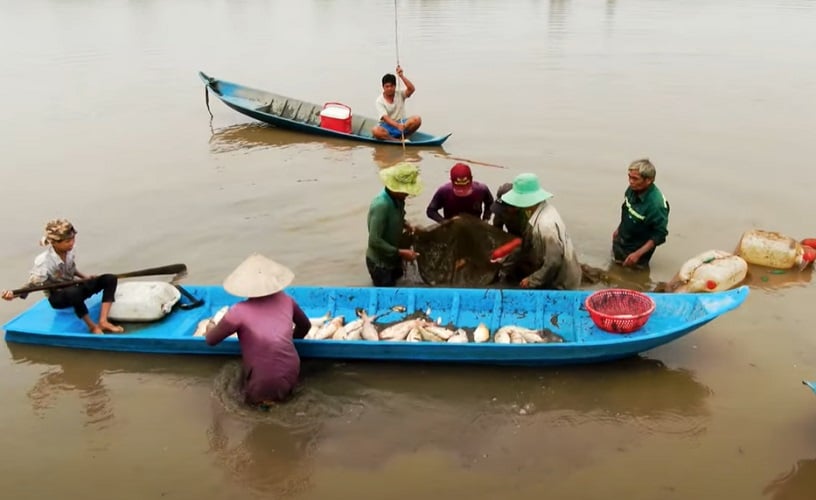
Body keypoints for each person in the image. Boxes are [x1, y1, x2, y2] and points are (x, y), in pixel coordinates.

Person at [204, 253, 311, 405]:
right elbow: (305, 326)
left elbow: (211, 340)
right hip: (292, 368)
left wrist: (210, 327)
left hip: (263, 379)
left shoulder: (238, 311)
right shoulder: (287, 300)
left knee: (256, 412)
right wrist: (287, 341)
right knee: (285, 403)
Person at [1, 219, 123, 334]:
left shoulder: (70, 250)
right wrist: (14, 294)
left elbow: (71, 268)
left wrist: (85, 277)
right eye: (68, 241)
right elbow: (32, 284)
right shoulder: (44, 262)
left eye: (73, 239)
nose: (72, 243)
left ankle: (103, 321)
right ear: (54, 243)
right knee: (73, 293)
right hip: (59, 298)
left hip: (74, 286)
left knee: (109, 278)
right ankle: (92, 326)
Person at [498, 173, 582, 290]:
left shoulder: (546, 226)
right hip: (554, 269)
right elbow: (527, 244)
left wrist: (532, 280)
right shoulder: (538, 211)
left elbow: (553, 262)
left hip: (563, 280)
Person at [366, 162, 423, 286]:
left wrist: (407, 224)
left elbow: (397, 217)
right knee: (388, 295)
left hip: (393, 257)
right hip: (380, 264)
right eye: (405, 191)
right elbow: (374, 241)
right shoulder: (381, 205)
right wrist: (402, 253)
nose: (407, 194)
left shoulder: (398, 199)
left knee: (399, 282)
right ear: (396, 188)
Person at [612, 158, 670, 268]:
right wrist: (618, 230)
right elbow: (626, 208)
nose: (631, 181)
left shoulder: (657, 205)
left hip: (637, 249)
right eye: (629, 177)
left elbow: (660, 234)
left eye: (635, 179)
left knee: (632, 277)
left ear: (648, 180)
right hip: (622, 239)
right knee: (615, 269)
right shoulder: (632, 189)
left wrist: (637, 254)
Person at [425, 163, 494, 223]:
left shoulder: (481, 190)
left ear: (471, 179)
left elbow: (490, 203)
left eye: (465, 187)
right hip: (452, 225)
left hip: (475, 225)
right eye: (459, 188)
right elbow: (431, 211)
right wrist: (444, 222)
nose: (462, 191)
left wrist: (486, 219)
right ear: (451, 181)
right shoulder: (444, 191)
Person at [371, 65, 422, 141]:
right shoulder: (379, 101)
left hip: (402, 123)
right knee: (375, 130)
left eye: (391, 86)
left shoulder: (399, 94)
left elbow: (411, 89)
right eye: (387, 86)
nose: (389, 89)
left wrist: (401, 76)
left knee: (417, 119)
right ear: (383, 87)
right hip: (387, 126)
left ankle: (404, 137)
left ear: (395, 86)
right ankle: (395, 140)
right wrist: (397, 126)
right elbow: (386, 118)